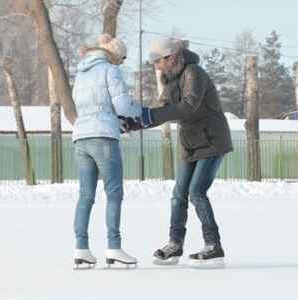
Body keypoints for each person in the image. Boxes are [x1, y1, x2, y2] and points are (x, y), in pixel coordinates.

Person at [132, 38, 233, 268]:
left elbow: (190, 105)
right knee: (179, 194)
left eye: (158, 61)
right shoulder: (169, 80)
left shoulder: (193, 71)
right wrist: (131, 123)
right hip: (191, 143)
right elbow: (160, 110)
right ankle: (175, 244)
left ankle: (214, 246)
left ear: (170, 57)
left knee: (197, 191)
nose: (157, 67)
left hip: (212, 139)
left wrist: (153, 115)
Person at [71, 34, 142, 269]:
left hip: (81, 137)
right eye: (121, 60)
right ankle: (114, 247)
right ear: (115, 55)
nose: (121, 64)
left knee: (85, 196)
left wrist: (111, 115)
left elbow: (89, 105)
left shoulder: (81, 73)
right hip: (103, 137)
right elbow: (123, 105)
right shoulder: (110, 70)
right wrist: (138, 111)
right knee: (114, 194)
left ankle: (81, 249)